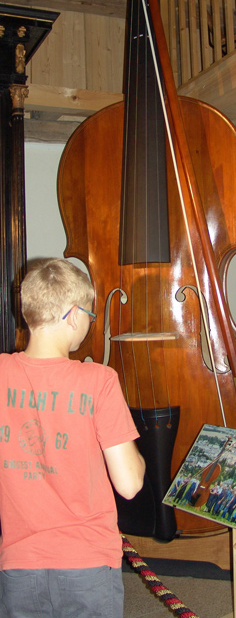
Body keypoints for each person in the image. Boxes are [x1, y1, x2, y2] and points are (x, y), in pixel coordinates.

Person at [0, 258, 146, 618]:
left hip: (18, 564)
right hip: (88, 563)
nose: (88, 325)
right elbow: (129, 484)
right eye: (90, 317)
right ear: (72, 315)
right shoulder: (99, 381)